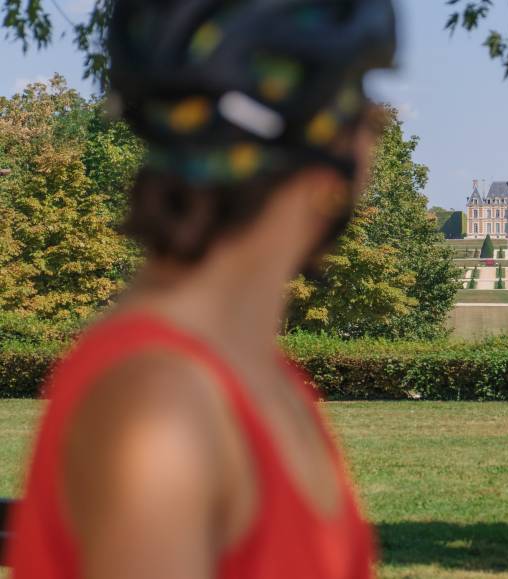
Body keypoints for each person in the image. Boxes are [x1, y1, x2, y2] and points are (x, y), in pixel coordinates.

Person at [8, 0, 396, 577]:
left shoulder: (254, 378)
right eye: (366, 105)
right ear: (328, 149)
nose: (381, 131)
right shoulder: (162, 413)